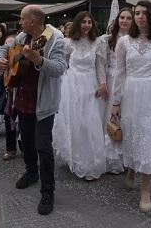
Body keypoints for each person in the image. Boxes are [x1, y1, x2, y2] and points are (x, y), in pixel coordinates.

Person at [0, 5, 67, 215]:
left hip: (43, 102)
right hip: (23, 99)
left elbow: (60, 68)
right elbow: (4, 49)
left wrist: (38, 60)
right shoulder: (21, 37)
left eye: (22, 19)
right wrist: (1, 59)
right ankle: (31, 172)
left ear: (33, 21)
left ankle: (48, 191)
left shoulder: (55, 39)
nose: (20, 23)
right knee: (26, 141)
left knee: (43, 147)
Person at [110, 0, 151, 213]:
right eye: (136, 13)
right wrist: (115, 102)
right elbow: (120, 74)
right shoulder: (123, 43)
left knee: (149, 137)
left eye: (143, 13)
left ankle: (145, 189)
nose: (139, 17)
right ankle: (131, 169)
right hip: (131, 93)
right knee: (132, 134)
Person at [53, 11, 108, 181]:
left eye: (89, 22)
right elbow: (63, 64)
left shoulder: (97, 43)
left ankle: (90, 162)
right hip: (72, 85)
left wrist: (103, 84)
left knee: (89, 123)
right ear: (78, 23)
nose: (86, 25)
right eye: (83, 22)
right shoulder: (68, 43)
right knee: (75, 123)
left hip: (90, 85)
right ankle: (75, 158)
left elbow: (100, 66)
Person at [100, 7, 133, 174]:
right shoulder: (108, 40)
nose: (125, 21)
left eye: (128, 18)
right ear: (117, 20)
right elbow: (102, 63)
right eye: (122, 18)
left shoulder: (135, 40)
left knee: (127, 118)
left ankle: (127, 157)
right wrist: (103, 82)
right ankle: (112, 159)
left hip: (130, 81)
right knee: (112, 118)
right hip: (112, 80)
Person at [0, 34, 20, 161]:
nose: (9, 47)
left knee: (23, 123)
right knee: (8, 121)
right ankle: (10, 149)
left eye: (12, 45)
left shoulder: (20, 57)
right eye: (7, 45)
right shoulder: (3, 61)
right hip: (8, 96)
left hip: (21, 94)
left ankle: (24, 147)